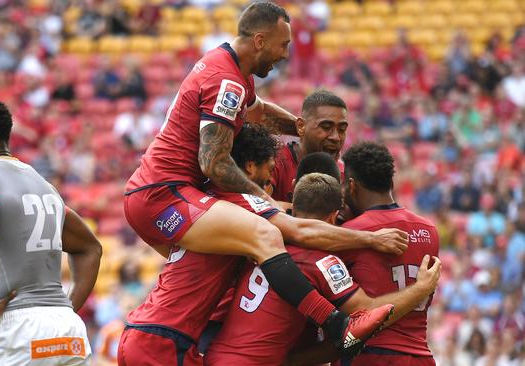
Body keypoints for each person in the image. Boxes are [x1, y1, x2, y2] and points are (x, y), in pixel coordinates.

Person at [122, 4, 402, 362]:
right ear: (259, 40)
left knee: (232, 257)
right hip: (163, 195)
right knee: (265, 234)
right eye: (282, 45)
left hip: (173, 318)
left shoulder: (231, 72)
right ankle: (336, 325)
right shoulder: (226, 82)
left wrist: (302, 128)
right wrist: (264, 203)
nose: (285, 55)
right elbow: (213, 161)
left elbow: (259, 113)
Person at [205, 173, 440, 365]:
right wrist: (420, 289)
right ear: (334, 216)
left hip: (215, 355)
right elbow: (365, 313)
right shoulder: (323, 261)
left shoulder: (262, 243)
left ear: (293, 210)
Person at [0, 98, 103, 365]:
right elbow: (90, 247)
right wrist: (67, 307)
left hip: (16, 329)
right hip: (67, 331)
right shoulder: (42, 184)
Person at [338, 142, 441, 365]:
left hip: (370, 353)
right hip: (421, 355)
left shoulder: (349, 234)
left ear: (352, 186)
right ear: (391, 182)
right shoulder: (429, 231)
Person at [270, 89, 349, 203]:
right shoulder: (274, 163)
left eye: (342, 129)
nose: (336, 137)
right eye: (326, 127)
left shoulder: (344, 175)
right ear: (301, 126)